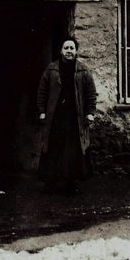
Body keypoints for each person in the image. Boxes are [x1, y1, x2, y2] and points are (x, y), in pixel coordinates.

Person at [36, 36, 97, 193]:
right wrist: (42, 111)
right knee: (53, 148)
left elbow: (91, 94)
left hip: (74, 117)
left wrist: (90, 112)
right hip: (55, 117)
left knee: (73, 150)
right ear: (61, 51)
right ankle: (51, 183)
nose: (69, 51)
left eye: (72, 48)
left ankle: (71, 183)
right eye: (66, 48)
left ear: (76, 51)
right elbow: (42, 92)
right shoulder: (51, 70)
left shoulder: (83, 70)